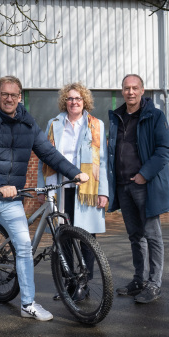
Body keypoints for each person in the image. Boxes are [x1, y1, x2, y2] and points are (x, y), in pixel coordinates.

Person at [0, 76, 89, 321]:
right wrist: (0, 184)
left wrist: (74, 172)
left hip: (13, 199)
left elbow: (48, 152)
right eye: (5, 94)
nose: (9, 99)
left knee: (24, 248)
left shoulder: (27, 122)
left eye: (14, 95)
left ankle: (28, 304)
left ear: (20, 97)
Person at [37, 82, 108, 302]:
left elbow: (103, 161)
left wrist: (103, 191)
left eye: (78, 98)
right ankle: (69, 281)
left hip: (87, 189)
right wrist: (42, 187)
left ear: (84, 101)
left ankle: (84, 283)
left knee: (87, 237)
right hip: (60, 188)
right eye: (69, 98)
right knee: (64, 237)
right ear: (64, 102)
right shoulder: (54, 123)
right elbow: (45, 158)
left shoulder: (96, 125)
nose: (73, 102)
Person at [107, 74, 169, 304]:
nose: (130, 92)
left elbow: (165, 149)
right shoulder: (117, 117)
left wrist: (144, 175)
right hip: (123, 185)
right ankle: (139, 280)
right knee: (135, 236)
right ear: (122, 90)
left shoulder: (154, 115)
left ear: (143, 90)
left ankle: (154, 284)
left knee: (152, 236)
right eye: (126, 88)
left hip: (143, 186)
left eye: (135, 88)